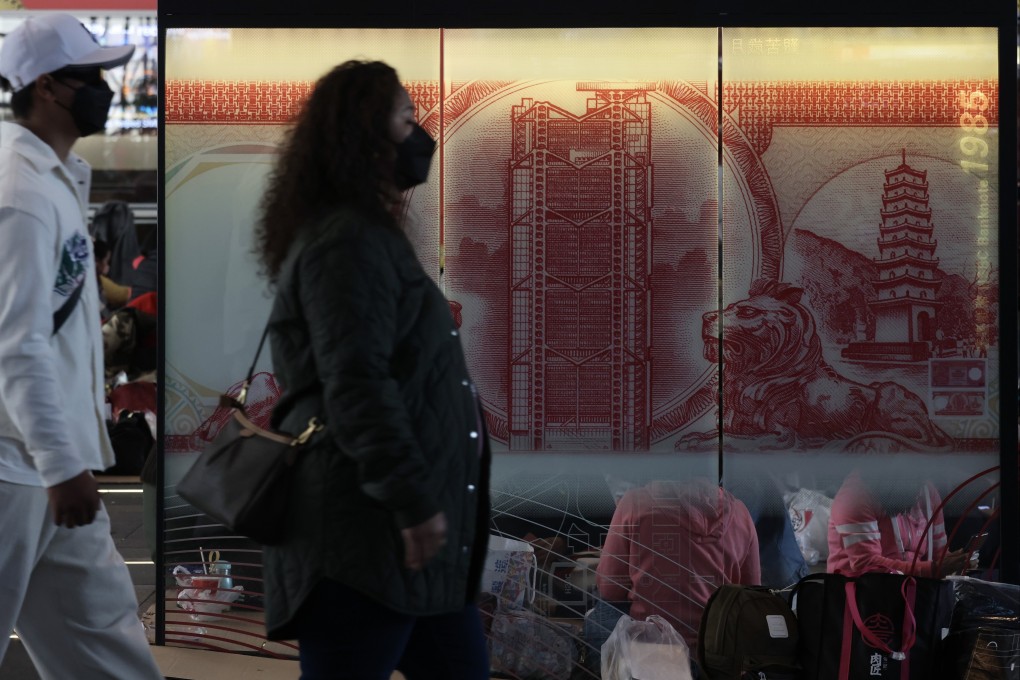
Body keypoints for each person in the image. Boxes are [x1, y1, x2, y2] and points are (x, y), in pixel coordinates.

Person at [252, 60, 491, 680]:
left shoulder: (363, 235)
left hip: (406, 546)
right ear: (366, 135)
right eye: (406, 119)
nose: (420, 135)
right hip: (363, 540)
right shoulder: (347, 243)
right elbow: (356, 384)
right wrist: (412, 501)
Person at [0, 14, 162, 679]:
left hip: (42, 465)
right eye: (91, 75)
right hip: (19, 468)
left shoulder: (53, 178)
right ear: (47, 86)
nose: (106, 86)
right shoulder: (21, 193)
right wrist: (62, 465)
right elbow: (19, 344)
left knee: (107, 648)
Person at [588, 478, 761, 674]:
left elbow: (610, 588)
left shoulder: (635, 503)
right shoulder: (741, 512)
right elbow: (751, 592)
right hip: (715, 654)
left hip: (652, 654)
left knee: (601, 612)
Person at [827, 468, 969, 577]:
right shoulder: (855, 496)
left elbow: (938, 555)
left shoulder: (926, 490)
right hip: (861, 597)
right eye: (912, 483)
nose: (917, 497)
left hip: (913, 590)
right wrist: (933, 569)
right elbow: (868, 567)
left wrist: (957, 562)